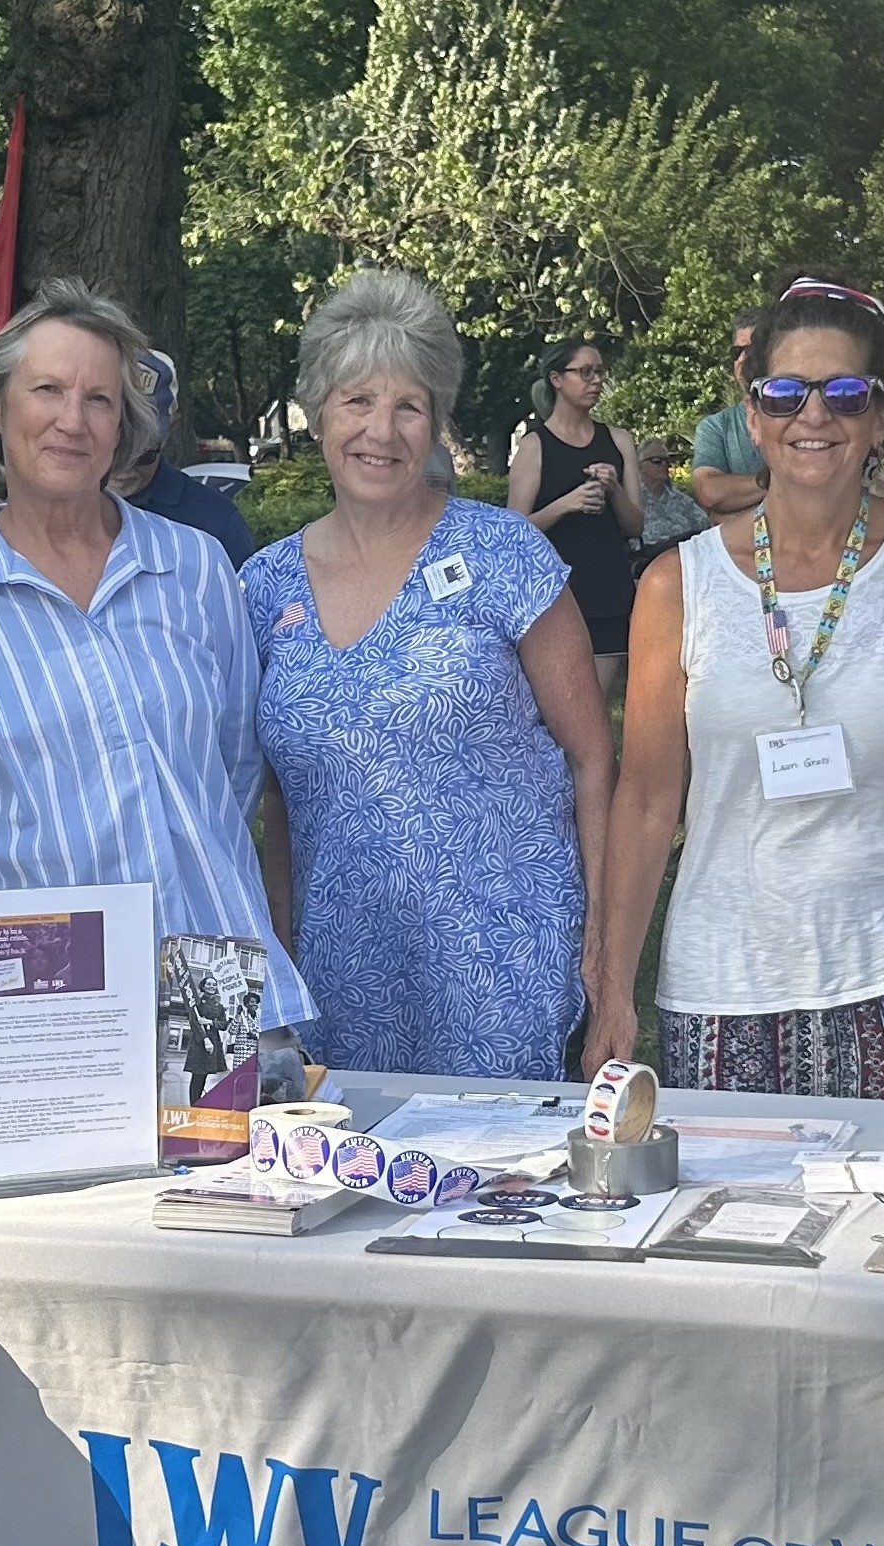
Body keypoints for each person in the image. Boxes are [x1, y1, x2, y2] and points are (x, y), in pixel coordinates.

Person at [587, 287, 884, 1102]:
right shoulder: (676, 585)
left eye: (845, 392)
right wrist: (613, 986)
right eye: (785, 392)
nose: (814, 415)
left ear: (881, 414)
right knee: (726, 1191)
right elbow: (648, 800)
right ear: (753, 415)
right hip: (724, 984)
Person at [0, 278, 315, 1107]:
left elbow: (232, 766)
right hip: (35, 973)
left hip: (204, 955)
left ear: (124, 425)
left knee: (215, 1177)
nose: (71, 420)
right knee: (57, 1188)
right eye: (46, 389)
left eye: (99, 399)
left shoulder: (194, 567)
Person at [244, 270, 614, 1078]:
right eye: (356, 400)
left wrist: (601, 949)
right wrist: (278, 946)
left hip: (502, 970)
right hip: (341, 979)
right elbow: (274, 795)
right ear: (317, 413)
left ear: (436, 420)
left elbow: (592, 758)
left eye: (408, 406)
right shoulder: (262, 587)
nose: (381, 430)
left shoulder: (504, 555)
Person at [508, 338, 643, 696]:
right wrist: (565, 504)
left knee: (594, 701)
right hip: (552, 593)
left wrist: (614, 489)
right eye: (584, 372)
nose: (596, 380)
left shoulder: (619, 440)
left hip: (606, 589)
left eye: (599, 372)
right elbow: (513, 532)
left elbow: (635, 525)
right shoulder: (535, 446)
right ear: (556, 379)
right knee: (555, 703)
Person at [110, 348, 256, 569]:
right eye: (112, 449)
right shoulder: (62, 507)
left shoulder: (216, 522)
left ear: (171, 428)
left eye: (142, 454)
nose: (123, 465)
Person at [690, 306, 771, 519]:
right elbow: (709, 492)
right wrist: (778, 482)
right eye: (737, 352)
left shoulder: (800, 412)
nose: (743, 359)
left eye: (752, 350)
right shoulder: (715, 427)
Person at [633, 436, 708, 562]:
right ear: (640, 466)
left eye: (667, 461)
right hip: (650, 561)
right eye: (657, 461)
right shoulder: (632, 499)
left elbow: (705, 526)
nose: (664, 465)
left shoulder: (682, 501)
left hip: (688, 557)